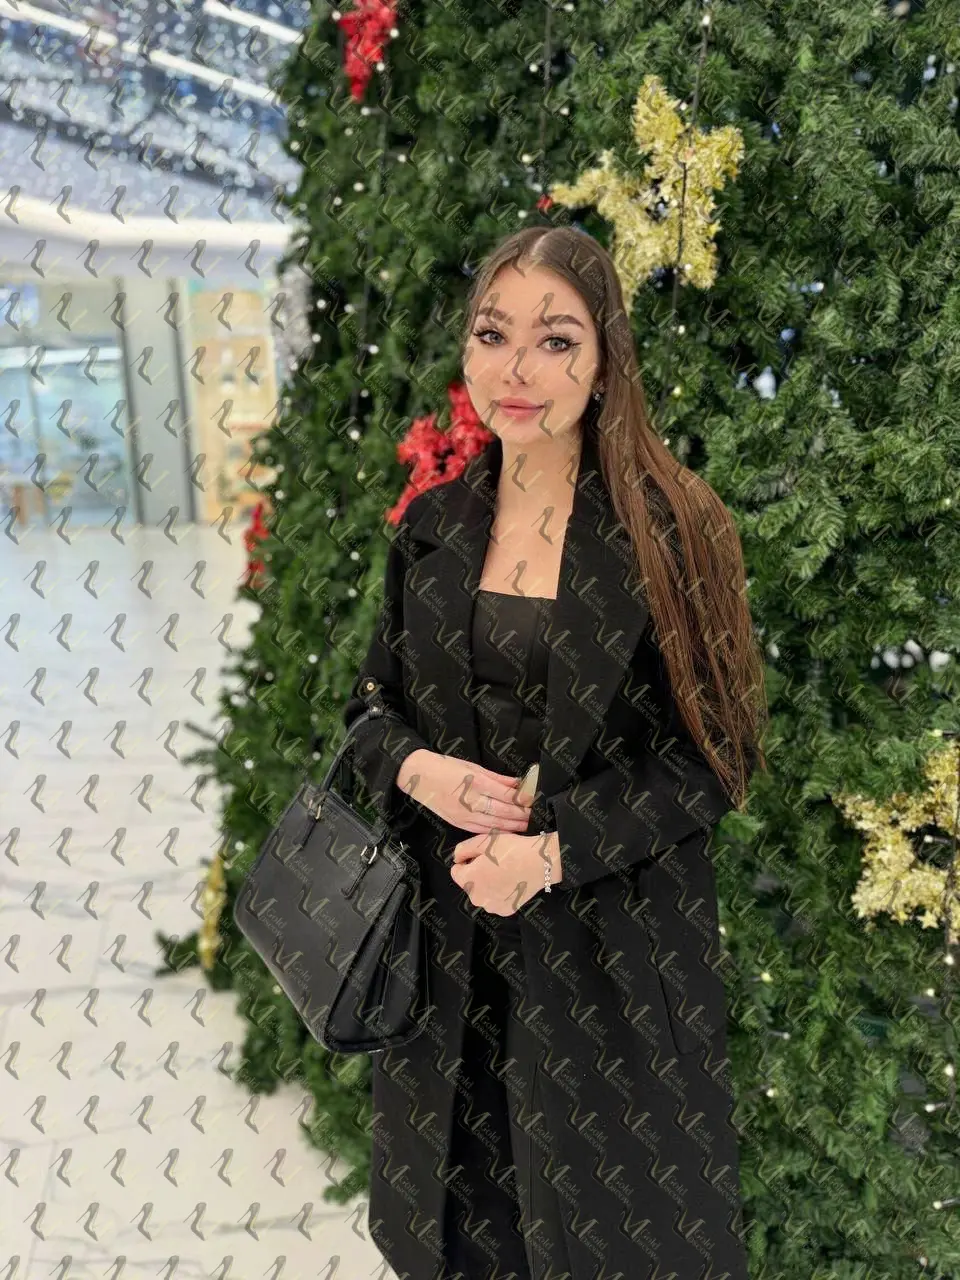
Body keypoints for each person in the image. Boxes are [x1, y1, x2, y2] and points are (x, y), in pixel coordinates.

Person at [343, 226, 768, 1280]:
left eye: (556, 339)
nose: (517, 370)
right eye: (494, 335)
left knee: (606, 1238)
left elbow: (717, 759)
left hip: (608, 961)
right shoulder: (432, 526)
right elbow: (368, 713)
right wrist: (424, 771)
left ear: (606, 357)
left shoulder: (674, 529)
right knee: (457, 1231)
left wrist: (550, 852)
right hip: (444, 961)